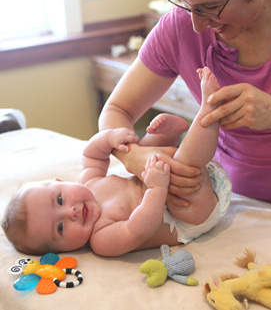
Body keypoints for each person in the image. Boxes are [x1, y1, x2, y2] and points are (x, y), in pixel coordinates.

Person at [98, 0, 271, 222]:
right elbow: (117, 110)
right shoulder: (178, 28)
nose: (196, 25)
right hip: (228, 209)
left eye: (211, 7)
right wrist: (133, 157)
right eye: (183, 3)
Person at [1, 68, 231, 257]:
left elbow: (92, 155)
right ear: (61, 250)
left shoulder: (89, 183)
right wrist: (157, 189)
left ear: (60, 181)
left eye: (60, 199)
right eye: (60, 227)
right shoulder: (101, 238)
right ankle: (209, 111)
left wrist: (109, 138)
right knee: (187, 164)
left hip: (157, 178)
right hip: (188, 214)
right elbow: (139, 229)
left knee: (147, 148)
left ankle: (168, 136)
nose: (70, 212)